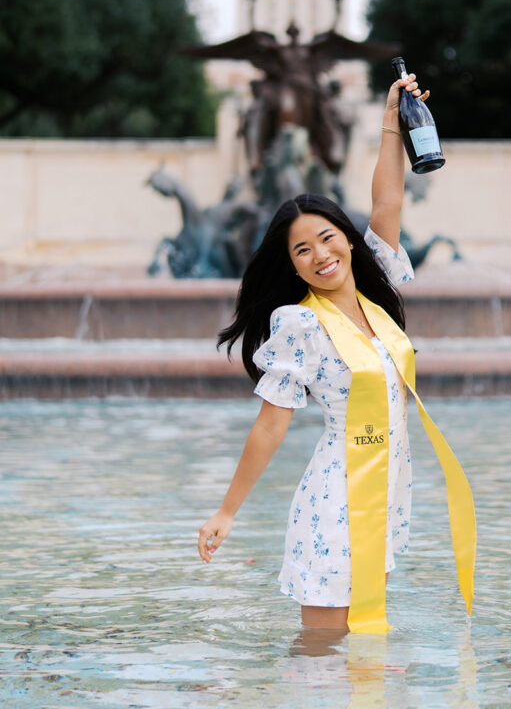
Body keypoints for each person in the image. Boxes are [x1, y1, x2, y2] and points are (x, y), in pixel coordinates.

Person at [197, 73, 475, 635]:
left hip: (386, 489)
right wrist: (227, 510)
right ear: (293, 265)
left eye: (327, 238)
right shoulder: (299, 322)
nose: (319, 255)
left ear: (347, 238)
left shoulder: (375, 296)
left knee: (364, 652)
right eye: (302, 249)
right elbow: (272, 425)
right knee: (323, 653)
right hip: (336, 498)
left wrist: (392, 121)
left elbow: (387, 198)